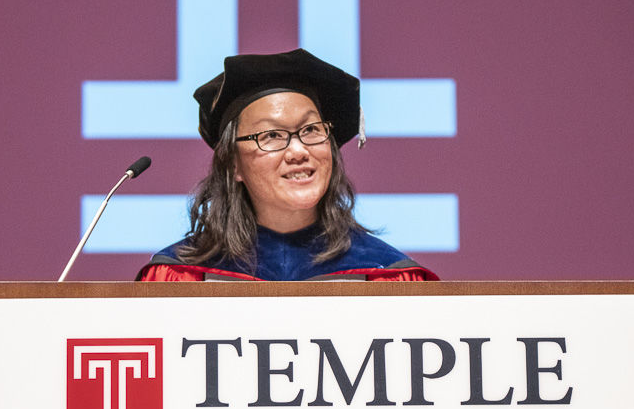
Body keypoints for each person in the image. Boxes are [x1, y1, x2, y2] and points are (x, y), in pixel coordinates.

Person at [136, 48, 438, 282]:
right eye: (271, 135)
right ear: (234, 166)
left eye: (311, 130)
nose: (298, 150)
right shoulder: (183, 278)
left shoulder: (386, 277)